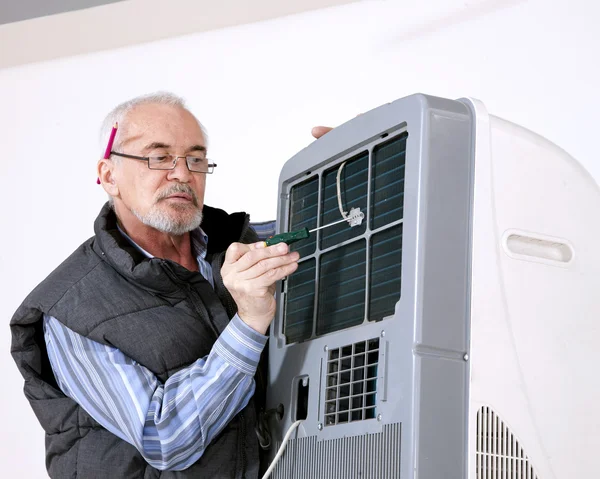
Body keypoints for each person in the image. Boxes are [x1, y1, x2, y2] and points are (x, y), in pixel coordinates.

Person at [10, 92, 332, 478]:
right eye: (159, 157)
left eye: (195, 159)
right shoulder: (70, 310)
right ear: (109, 176)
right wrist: (248, 323)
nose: (182, 174)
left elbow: (344, 236)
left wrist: (363, 162)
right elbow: (165, 439)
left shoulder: (242, 247)